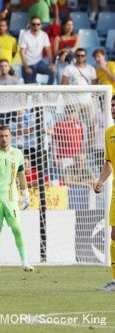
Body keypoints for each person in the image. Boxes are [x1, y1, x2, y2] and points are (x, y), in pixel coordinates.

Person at [0, 125, 34, 273]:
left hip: (11, 199)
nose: (4, 138)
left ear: (10, 137)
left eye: (6, 136)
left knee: (17, 229)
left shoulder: (17, 154)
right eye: (1, 136)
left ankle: (25, 263)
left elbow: (21, 175)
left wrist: (26, 193)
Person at [93, 95, 115, 292]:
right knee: (114, 234)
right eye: (112, 106)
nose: (114, 109)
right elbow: (108, 161)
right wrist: (101, 180)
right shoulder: (109, 133)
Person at [19, 16, 56, 85]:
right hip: (28, 64)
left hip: (39, 63)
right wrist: (26, 67)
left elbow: (48, 50)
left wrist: (51, 64)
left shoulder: (44, 35)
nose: (36, 26)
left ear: (41, 25)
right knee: (31, 89)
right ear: (30, 24)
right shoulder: (25, 35)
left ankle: (47, 92)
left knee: (53, 71)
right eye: (33, 24)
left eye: (38, 24)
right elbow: (22, 52)